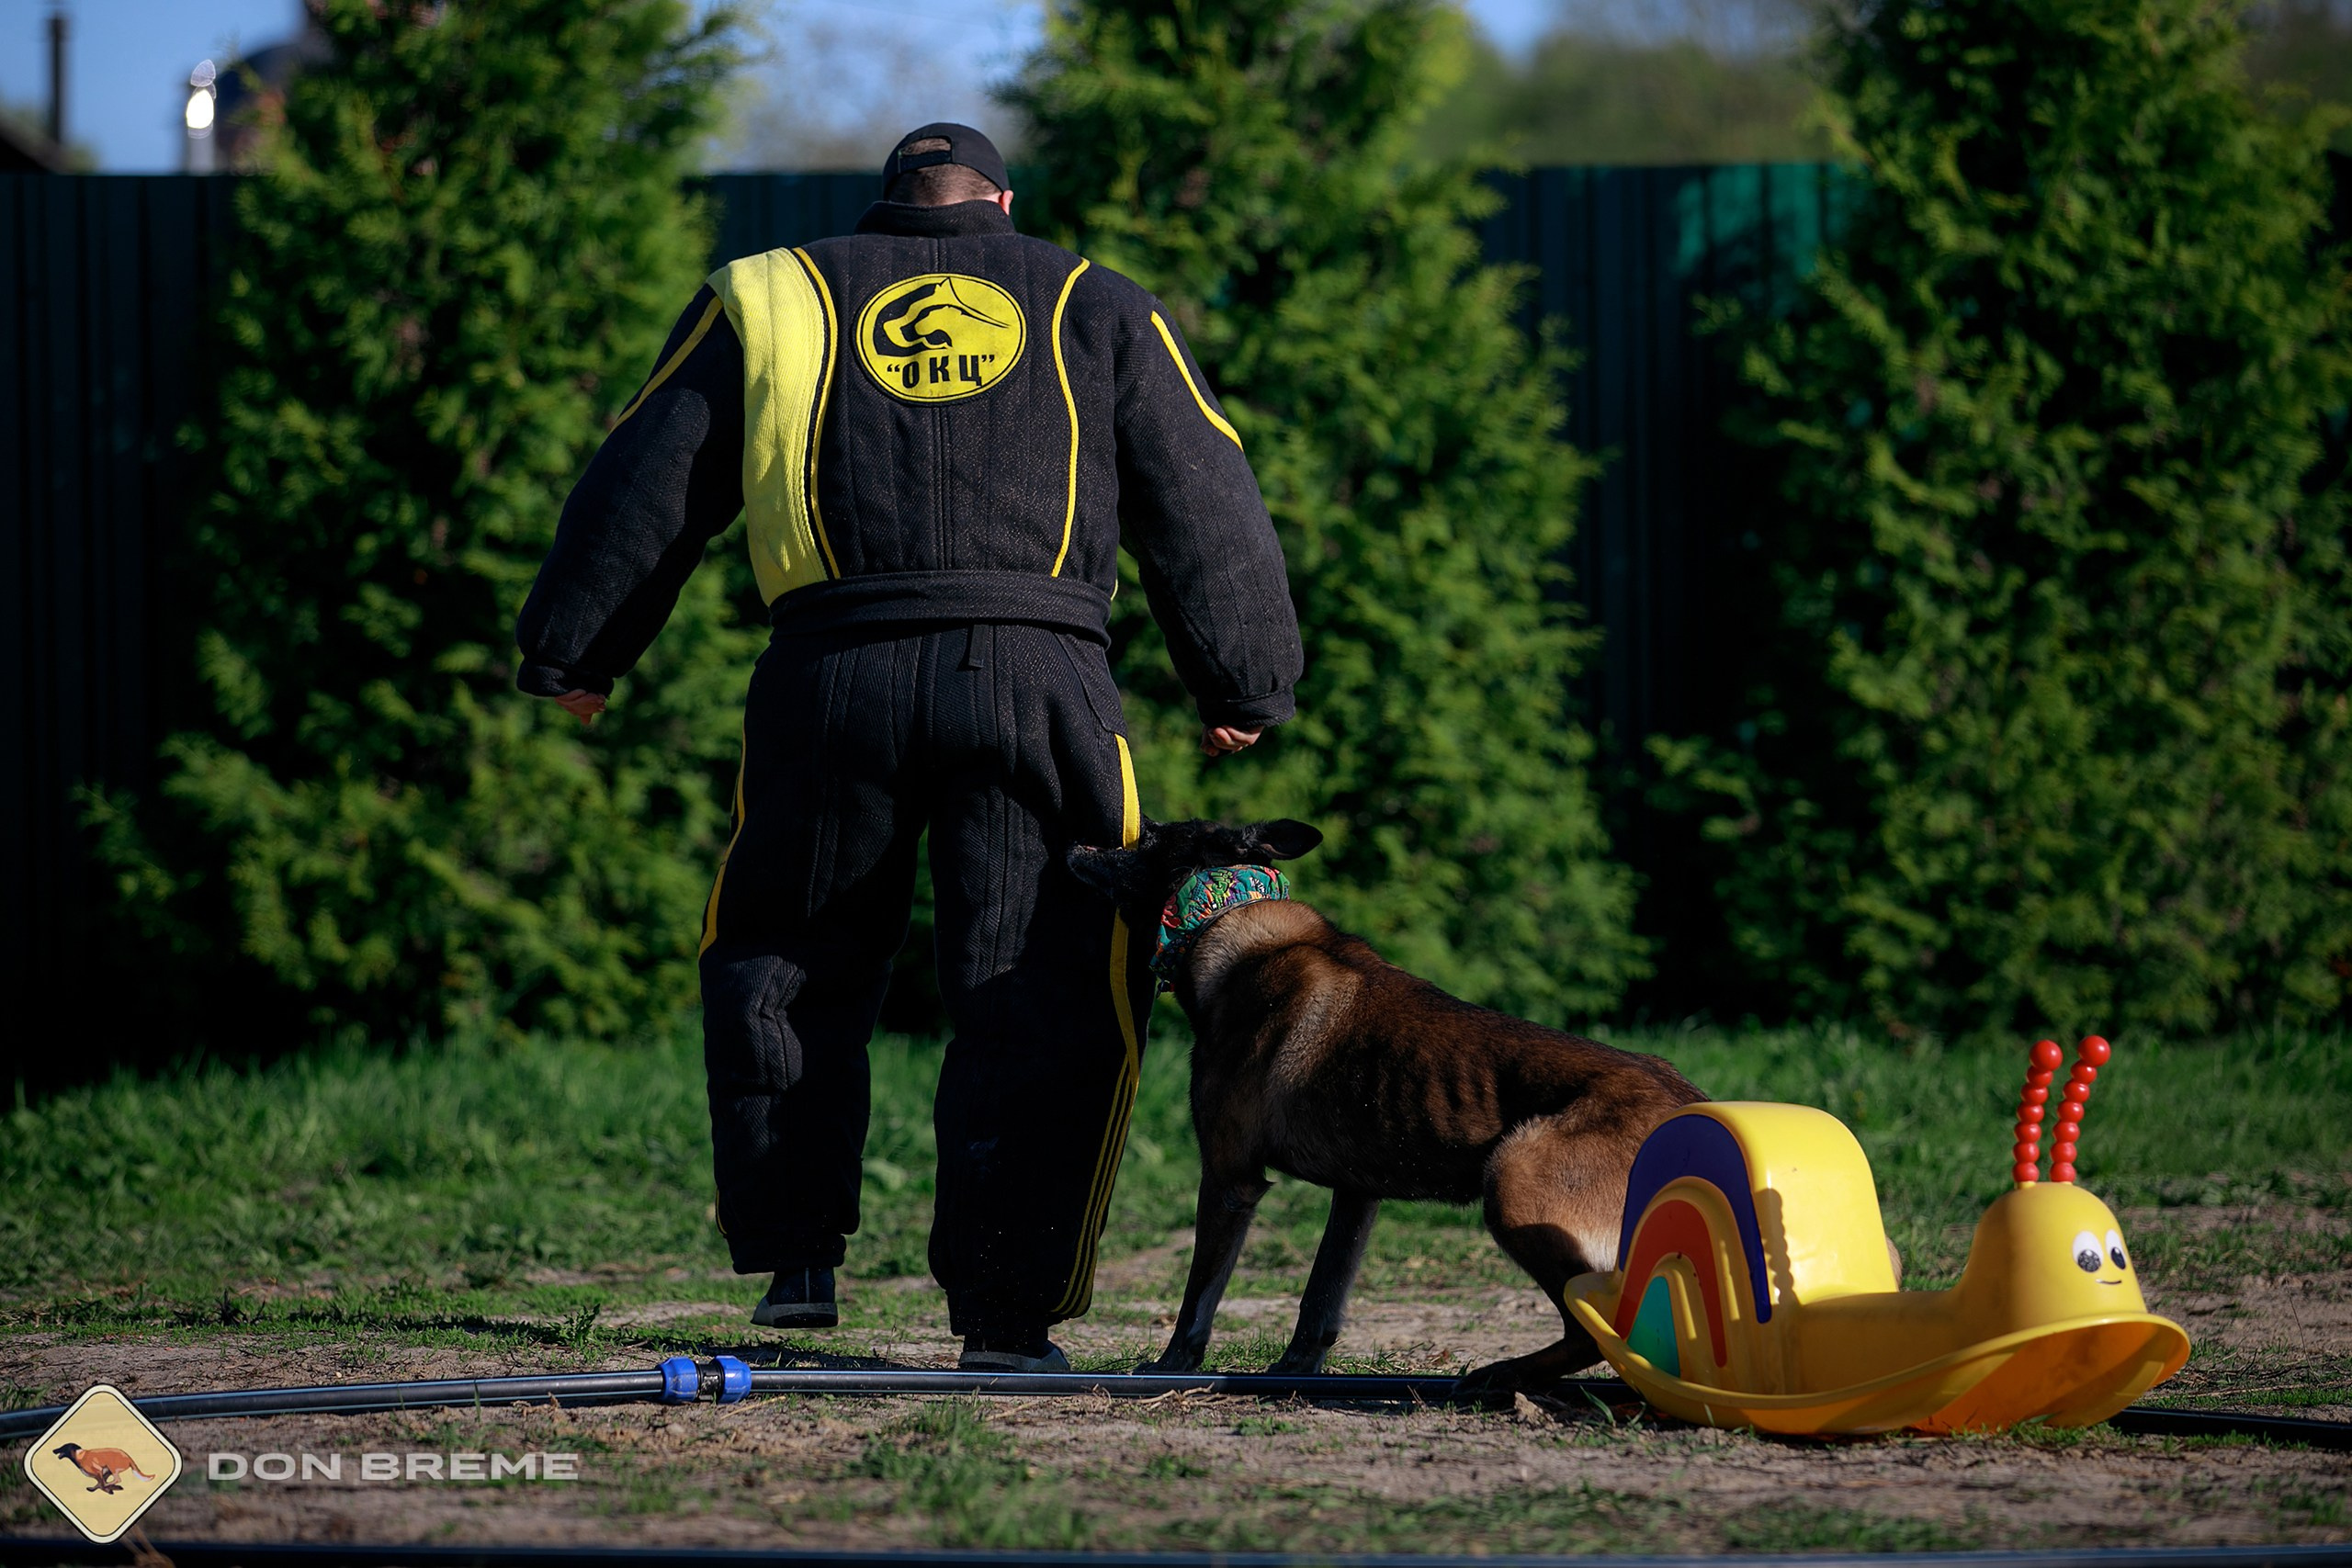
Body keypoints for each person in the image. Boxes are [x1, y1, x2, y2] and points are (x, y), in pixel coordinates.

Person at [513, 123, 1303, 1371]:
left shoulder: (770, 294)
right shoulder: (1094, 300)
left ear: (884, 210)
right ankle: (1005, 1317)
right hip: (1043, 683)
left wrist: (576, 655)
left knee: (786, 953)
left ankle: (797, 1260)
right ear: (998, 202)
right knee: (1040, 980)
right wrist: (1246, 678)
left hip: (829, 677)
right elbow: (1204, 486)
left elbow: (646, 473)